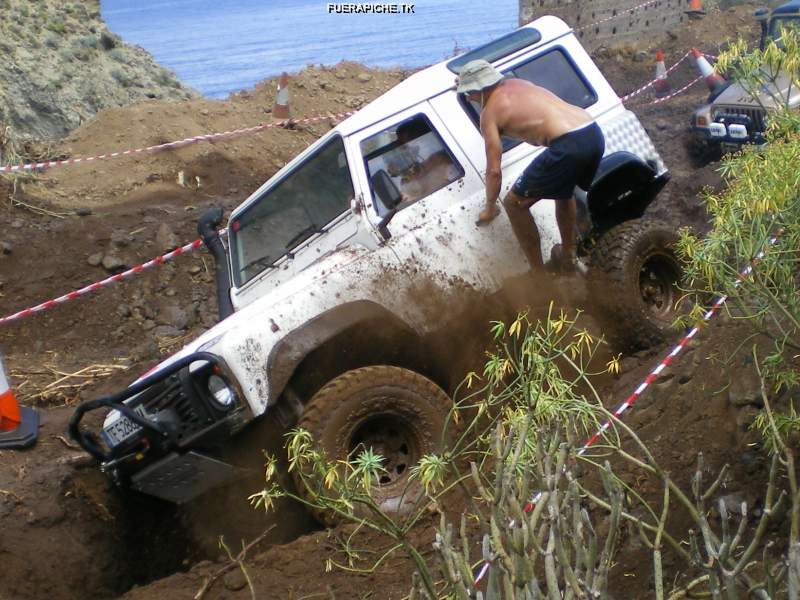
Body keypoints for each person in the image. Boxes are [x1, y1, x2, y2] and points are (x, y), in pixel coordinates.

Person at [455, 59, 605, 272]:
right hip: (592, 132)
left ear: (479, 89)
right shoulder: (519, 83)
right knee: (564, 191)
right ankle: (568, 255)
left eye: (468, 92)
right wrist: (464, 83)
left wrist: (490, 207)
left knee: (514, 204)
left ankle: (538, 274)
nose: (468, 97)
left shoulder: (490, 114)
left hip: (567, 144)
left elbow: (494, 171)